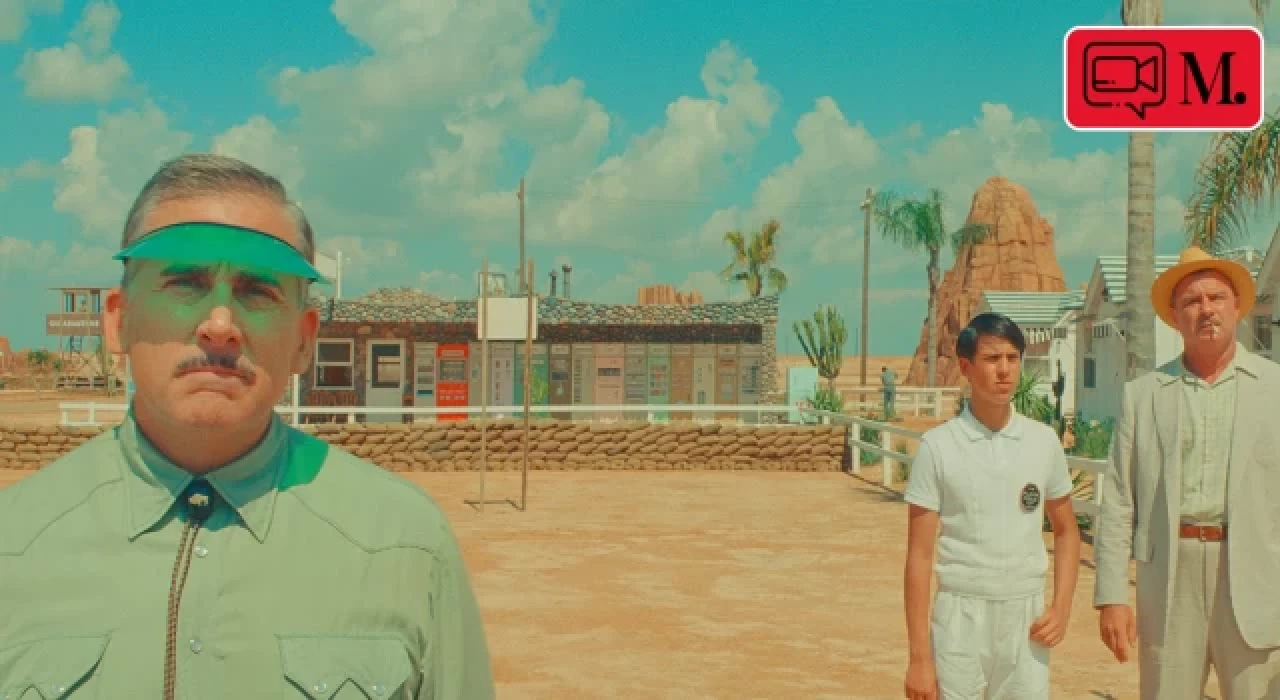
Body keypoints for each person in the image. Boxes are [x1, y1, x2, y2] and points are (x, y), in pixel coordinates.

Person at [0, 153, 496, 699]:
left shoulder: (404, 546)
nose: (220, 325)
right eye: (184, 283)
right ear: (119, 321)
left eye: (257, 292)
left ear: (304, 339)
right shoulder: (14, 543)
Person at [1093, 245, 1280, 699]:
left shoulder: (1274, 389)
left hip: (1256, 574)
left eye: (1217, 298)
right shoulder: (1143, 395)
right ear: (1175, 317)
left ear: (1238, 306)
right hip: (1170, 578)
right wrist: (1112, 595)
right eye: (1192, 301)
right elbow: (1118, 501)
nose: (1206, 309)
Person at [902, 312, 1080, 700]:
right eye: (992, 359)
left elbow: (1067, 531)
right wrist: (919, 657)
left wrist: (1061, 607)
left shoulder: (1042, 442)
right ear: (966, 367)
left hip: (1025, 617)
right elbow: (919, 555)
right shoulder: (939, 447)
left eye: (1012, 358)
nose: (1004, 370)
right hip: (961, 615)